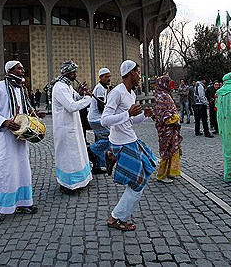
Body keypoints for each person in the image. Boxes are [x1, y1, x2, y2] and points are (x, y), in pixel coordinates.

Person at [0, 61, 45, 223]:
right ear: (10, 70)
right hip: (3, 139)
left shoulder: (20, 89)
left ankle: (23, 203)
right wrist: (4, 122)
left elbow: (21, 110)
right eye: (19, 68)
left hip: (19, 138)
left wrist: (33, 115)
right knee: (3, 171)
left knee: (22, 169)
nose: (23, 70)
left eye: (23, 68)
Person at [101, 60, 156, 232]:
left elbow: (130, 121)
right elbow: (104, 120)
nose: (140, 76)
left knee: (147, 168)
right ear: (131, 73)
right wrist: (128, 113)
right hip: (121, 142)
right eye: (138, 73)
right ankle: (116, 218)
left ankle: (111, 157)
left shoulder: (131, 94)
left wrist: (144, 116)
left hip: (130, 138)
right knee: (137, 183)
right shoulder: (117, 93)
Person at [51, 60, 93, 194]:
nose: (75, 74)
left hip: (73, 127)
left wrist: (81, 94)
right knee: (67, 156)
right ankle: (67, 185)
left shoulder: (68, 86)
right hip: (64, 128)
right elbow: (71, 106)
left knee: (77, 154)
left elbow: (75, 98)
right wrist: (88, 98)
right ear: (68, 73)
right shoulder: (59, 87)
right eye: (73, 72)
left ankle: (79, 181)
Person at [153, 75, 182, 183]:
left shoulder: (163, 94)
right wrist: (175, 117)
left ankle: (170, 171)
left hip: (171, 128)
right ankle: (161, 174)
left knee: (172, 148)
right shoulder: (162, 96)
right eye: (168, 82)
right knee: (166, 149)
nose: (170, 85)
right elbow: (162, 114)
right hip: (166, 129)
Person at [87, 67, 112, 174]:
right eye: (106, 77)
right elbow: (101, 106)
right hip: (96, 119)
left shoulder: (103, 88)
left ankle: (96, 167)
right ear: (101, 78)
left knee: (100, 141)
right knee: (110, 137)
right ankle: (91, 149)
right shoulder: (100, 89)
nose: (108, 79)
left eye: (109, 76)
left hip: (96, 118)